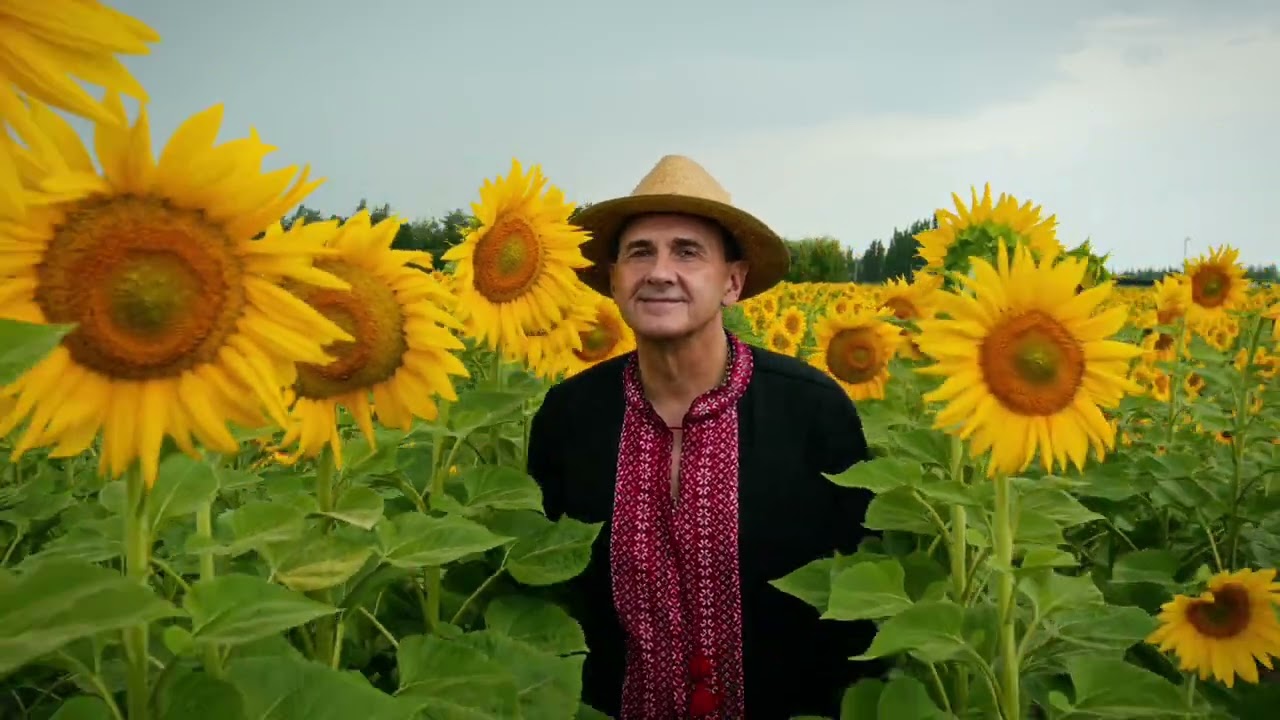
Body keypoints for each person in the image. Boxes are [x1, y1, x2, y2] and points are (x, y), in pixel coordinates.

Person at [526, 155, 880, 719]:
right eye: (640, 252)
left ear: (732, 282)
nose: (659, 271)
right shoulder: (570, 416)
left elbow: (863, 590)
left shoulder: (811, 410)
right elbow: (547, 590)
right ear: (614, 279)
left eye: (687, 252)